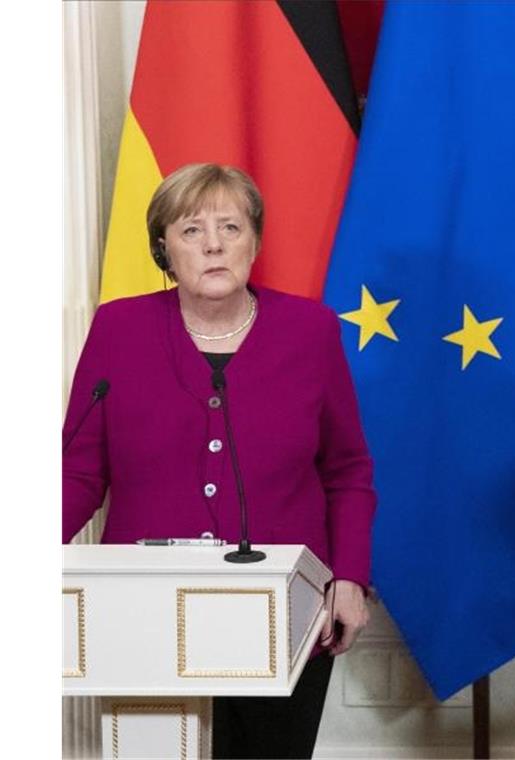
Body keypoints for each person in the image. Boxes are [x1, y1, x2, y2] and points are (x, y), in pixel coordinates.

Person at [62, 163, 377, 759]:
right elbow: (77, 471)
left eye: (231, 227)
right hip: (143, 611)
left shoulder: (310, 330)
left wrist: (351, 579)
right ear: (163, 248)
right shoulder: (118, 328)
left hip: (284, 610)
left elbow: (347, 471)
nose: (213, 244)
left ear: (254, 242)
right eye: (191, 230)